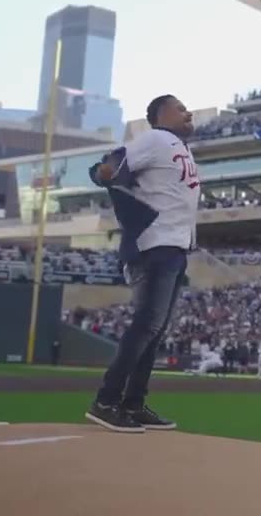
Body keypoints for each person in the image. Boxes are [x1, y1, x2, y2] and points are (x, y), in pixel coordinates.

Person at [84, 95, 198, 434]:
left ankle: (133, 403)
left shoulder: (179, 146)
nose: (188, 112)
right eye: (181, 108)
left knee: (155, 330)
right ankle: (106, 401)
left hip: (176, 246)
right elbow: (113, 163)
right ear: (162, 114)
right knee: (146, 325)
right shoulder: (156, 138)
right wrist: (102, 172)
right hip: (155, 244)